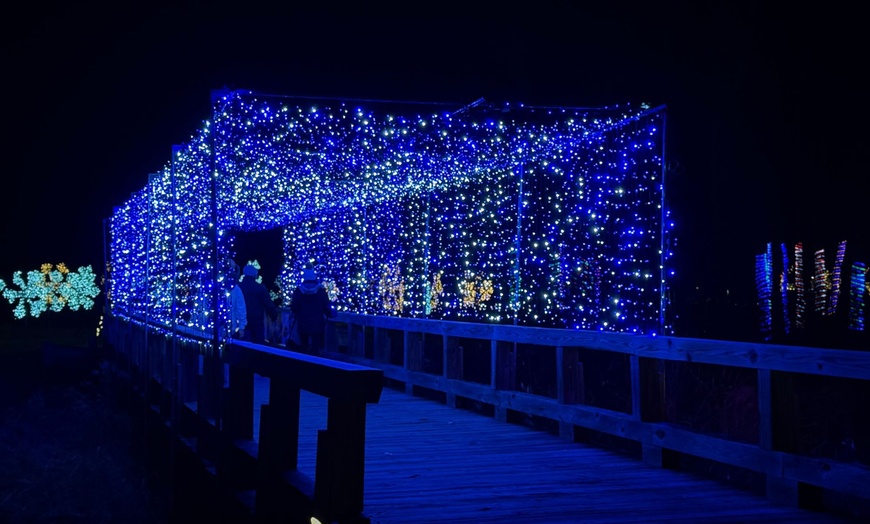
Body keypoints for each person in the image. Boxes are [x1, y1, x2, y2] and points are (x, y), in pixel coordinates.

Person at [290, 268, 336, 355]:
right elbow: (326, 306)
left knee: (303, 348)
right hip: (317, 324)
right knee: (315, 348)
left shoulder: (299, 290)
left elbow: (294, 308)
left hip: (303, 323)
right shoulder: (320, 291)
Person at [238, 263, 279, 344]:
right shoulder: (260, 288)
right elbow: (268, 304)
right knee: (258, 344)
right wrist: (274, 315)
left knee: (242, 343)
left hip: (240, 320)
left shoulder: (238, 287)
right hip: (256, 321)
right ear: (255, 274)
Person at [226, 262, 247, 340]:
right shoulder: (236, 288)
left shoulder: (236, 289)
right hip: (230, 328)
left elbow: (241, 308)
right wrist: (242, 327)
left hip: (228, 329)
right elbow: (241, 308)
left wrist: (241, 326)